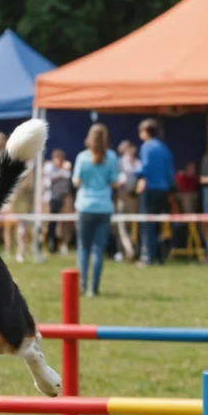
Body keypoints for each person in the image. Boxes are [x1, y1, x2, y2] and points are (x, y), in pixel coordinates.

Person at [73, 124, 121, 297]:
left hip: (85, 206)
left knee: (83, 248)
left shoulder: (82, 157)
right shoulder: (112, 157)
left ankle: (83, 285)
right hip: (104, 207)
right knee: (98, 249)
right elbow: (115, 182)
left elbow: (76, 182)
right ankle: (94, 288)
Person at [136, 118, 175, 265]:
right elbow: (170, 171)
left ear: (146, 132)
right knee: (159, 224)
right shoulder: (164, 148)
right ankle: (160, 257)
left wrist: (138, 177)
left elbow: (144, 167)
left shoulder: (146, 147)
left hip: (150, 189)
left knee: (147, 224)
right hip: (163, 190)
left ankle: (148, 257)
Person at [115, 141, 141, 261]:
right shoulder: (119, 163)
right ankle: (127, 250)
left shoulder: (138, 163)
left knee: (133, 226)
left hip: (135, 198)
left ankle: (134, 250)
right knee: (121, 226)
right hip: (122, 197)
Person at [43, 148, 73, 254]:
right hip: (52, 199)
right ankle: (51, 245)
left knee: (64, 224)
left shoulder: (66, 169)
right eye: (57, 159)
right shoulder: (49, 167)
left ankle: (63, 245)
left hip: (63, 199)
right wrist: (62, 171)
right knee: (51, 224)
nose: (59, 161)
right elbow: (50, 177)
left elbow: (68, 177)